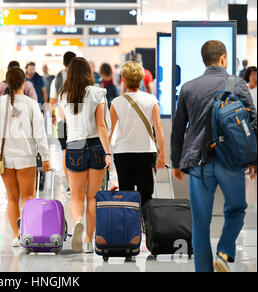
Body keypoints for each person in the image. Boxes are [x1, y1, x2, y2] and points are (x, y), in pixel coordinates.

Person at [171, 40, 257, 272]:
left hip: (199, 163)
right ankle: (224, 251)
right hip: (231, 161)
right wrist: (254, 159)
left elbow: (178, 128)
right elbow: (253, 122)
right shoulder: (237, 84)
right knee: (236, 210)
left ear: (204, 60)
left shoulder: (189, 87)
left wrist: (176, 163)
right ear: (223, 58)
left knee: (200, 225)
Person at [0, 67, 50, 247]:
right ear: (23, 82)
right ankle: (27, 230)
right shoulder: (31, 104)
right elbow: (39, 132)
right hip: (26, 156)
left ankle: (15, 235)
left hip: (4, 156)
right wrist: (45, 156)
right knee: (27, 197)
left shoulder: (0, 103)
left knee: (12, 198)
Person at [57, 57, 112, 254]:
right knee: (93, 196)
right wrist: (107, 152)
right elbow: (101, 125)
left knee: (76, 195)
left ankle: (78, 221)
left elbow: (64, 120)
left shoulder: (63, 95)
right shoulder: (98, 93)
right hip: (96, 144)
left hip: (74, 145)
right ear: (88, 72)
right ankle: (89, 240)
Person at [109, 61, 166, 209]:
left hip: (123, 154)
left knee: (126, 197)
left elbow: (109, 131)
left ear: (123, 79)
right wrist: (163, 154)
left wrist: (106, 153)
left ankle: (129, 230)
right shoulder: (152, 100)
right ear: (141, 78)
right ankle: (147, 228)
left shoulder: (116, 102)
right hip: (146, 153)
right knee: (146, 197)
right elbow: (158, 128)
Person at [49, 51, 77, 194]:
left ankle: (71, 186)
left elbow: (52, 102)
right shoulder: (79, 78)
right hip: (78, 122)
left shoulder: (56, 80)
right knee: (78, 152)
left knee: (65, 153)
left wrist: (53, 117)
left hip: (61, 123)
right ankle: (79, 184)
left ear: (64, 63)